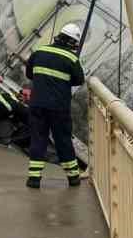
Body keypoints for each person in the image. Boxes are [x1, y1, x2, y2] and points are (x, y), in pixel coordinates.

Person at [25, 22, 89, 189]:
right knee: (62, 140)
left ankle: (34, 178)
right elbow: (79, 80)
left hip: (37, 104)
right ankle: (73, 177)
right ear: (71, 42)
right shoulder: (71, 58)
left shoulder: (40, 51)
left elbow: (29, 73)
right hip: (58, 108)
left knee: (38, 138)